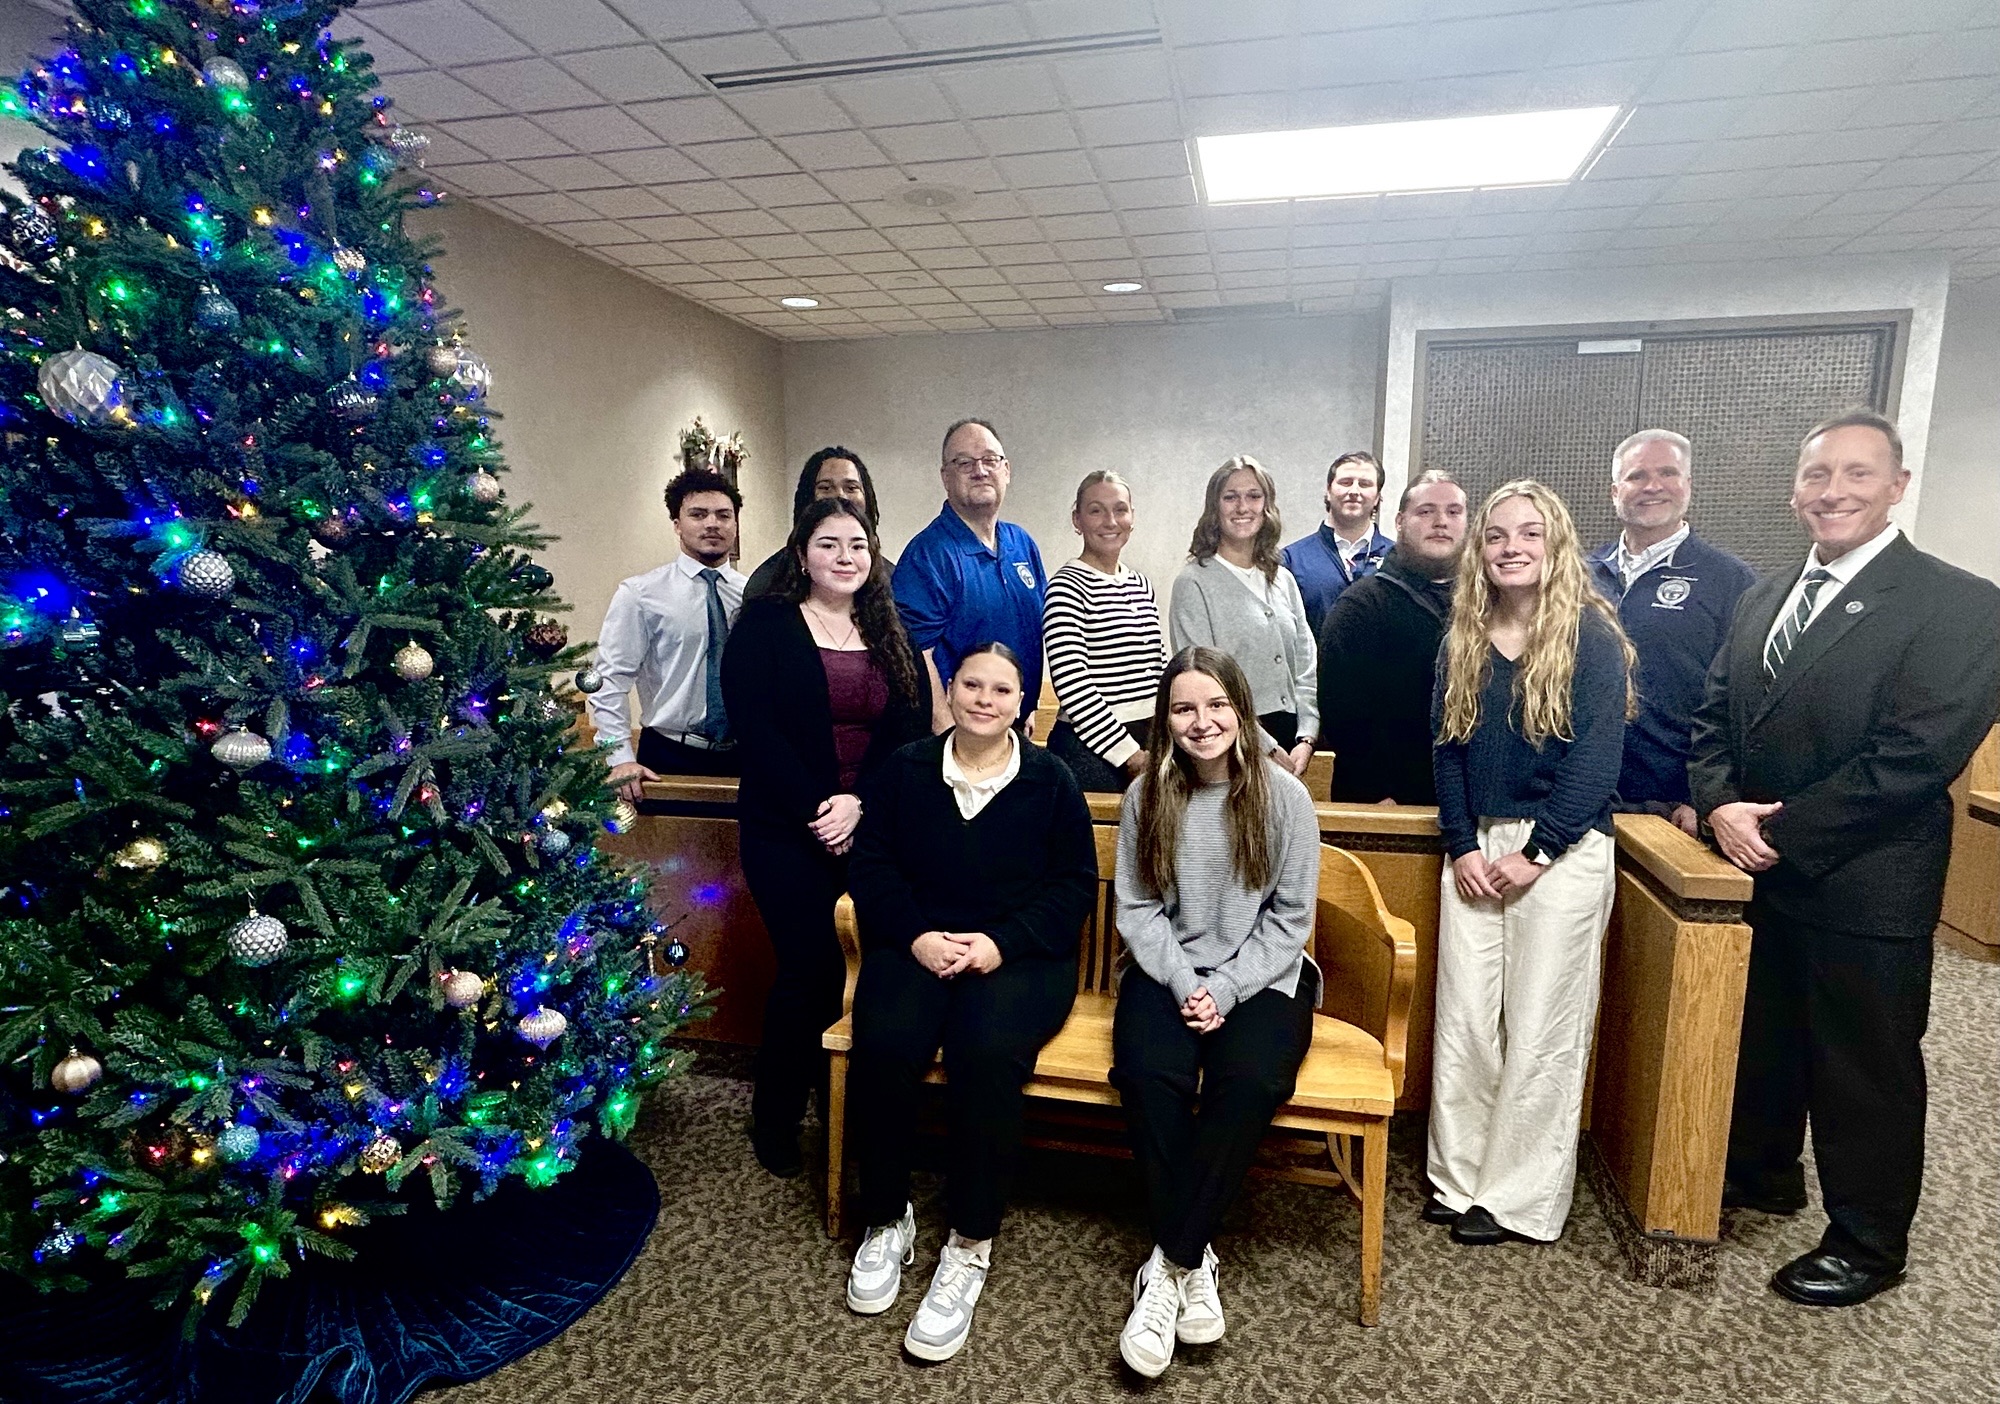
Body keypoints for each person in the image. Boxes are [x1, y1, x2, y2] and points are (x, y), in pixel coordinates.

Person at [1688, 410, 2000, 1308]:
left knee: (1865, 1065)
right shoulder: (1764, 593)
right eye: (1818, 475)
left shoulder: (1959, 601)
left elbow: (1916, 755)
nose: (1834, 492)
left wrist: (1778, 833)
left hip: (1866, 880)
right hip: (1761, 867)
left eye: (1858, 475)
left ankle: (1868, 1238)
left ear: (1898, 486)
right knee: (1770, 1041)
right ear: (1796, 490)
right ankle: (1763, 1172)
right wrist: (1718, 805)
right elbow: (1714, 715)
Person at [842, 643, 1097, 1362]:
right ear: (950, 692)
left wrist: (999, 943)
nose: (985, 699)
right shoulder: (906, 770)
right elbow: (873, 865)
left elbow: (1074, 885)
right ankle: (887, 1218)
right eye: (972, 685)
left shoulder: (1051, 781)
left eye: (1003, 689)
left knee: (985, 1054)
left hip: (1018, 957)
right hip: (915, 943)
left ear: (1023, 703)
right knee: (887, 1043)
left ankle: (969, 1242)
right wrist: (918, 936)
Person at [1428, 480, 1637, 1247]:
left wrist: (1540, 852)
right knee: (1467, 1020)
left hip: (1564, 852)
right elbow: (1446, 751)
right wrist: (1461, 845)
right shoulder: (1462, 640)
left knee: (1543, 1023)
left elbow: (1595, 762)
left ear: (1556, 548)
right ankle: (1458, 1180)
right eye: (1496, 536)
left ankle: (1517, 1199)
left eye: (1530, 535)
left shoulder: (1591, 639)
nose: (1512, 548)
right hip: (1477, 849)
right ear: (1479, 552)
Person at [1109, 647, 1321, 1379]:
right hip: (1165, 974)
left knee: (1252, 1081)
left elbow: (1290, 922)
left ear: (1241, 710)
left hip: (1263, 981)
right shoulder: (1148, 795)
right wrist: (1182, 983)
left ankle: (1167, 1265)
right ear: (1166, 721)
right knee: (1146, 1073)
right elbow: (1135, 909)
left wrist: (1224, 988)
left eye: (1215, 706)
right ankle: (1192, 1259)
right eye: (1182, 708)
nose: (1201, 722)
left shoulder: (1285, 798)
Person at [720, 498, 929, 1177]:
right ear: (802, 554)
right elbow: (758, 732)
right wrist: (820, 806)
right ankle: (776, 1117)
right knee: (809, 971)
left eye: (858, 545)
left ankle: (850, 1111)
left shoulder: (887, 628)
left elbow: (908, 734)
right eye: (830, 544)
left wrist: (858, 804)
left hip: (869, 829)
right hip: (785, 829)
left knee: (867, 975)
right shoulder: (766, 626)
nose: (846, 556)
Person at [1587, 430, 1755, 836]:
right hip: (1580, 798)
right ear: (1615, 490)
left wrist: (1708, 797)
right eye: (1636, 476)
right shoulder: (1579, 575)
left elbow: (1741, 705)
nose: (1652, 486)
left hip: (1675, 807)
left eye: (1667, 473)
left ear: (1688, 486)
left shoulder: (1731, 581)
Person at [1315, 469, 1469, 804]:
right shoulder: (1361, 606)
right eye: (1426, 511)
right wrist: (1376, 792)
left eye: (1453, 511)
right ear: (1399, 521)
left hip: (1470, 804)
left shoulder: (1487, 605)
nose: (1441, 521)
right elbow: (1343, 713)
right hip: (1388, 803)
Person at [588, 467, 746, 789]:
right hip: (669, 754)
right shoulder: (641, 594)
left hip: (745, 755)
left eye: (723, 515)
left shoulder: (754, 595)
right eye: (698, 514)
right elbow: (610, 681)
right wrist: (619, 758)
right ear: (677, 524)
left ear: (735, 523)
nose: (712, 523)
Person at [893, 419, 1049, 734]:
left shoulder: (1022, 544)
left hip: (1012, 726)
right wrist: (948, 734)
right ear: (945, 477)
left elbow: (1033, 631)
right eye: (964, 463)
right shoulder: (928, 555)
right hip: (957, 735)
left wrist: (1028, 708)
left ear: (1006, 470)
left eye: (990, 460)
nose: (980, 470)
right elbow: (916, 657)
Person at [1168, 456, 1318, 778]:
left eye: (1253, 496)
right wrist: (1266, 747)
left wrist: (1306, 736)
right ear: (1214, 507)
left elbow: (1306, 666)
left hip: (1292, 740)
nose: (1242, 507)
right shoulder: (1194, 582)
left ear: (1267, 506)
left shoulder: (1283, 580)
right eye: (1230, 497)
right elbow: (1202, 683)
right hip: (1229, 744)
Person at [1043, 471, 1168, 793]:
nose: (1110, 521)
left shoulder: (1141, 584)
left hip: (1148, 741)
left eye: (1120, 509)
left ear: (1132, 517)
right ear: (1077, 519)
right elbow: (1073, 684)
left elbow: (1157, 670)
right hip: (1091, 748)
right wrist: (1129, 755)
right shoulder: (1066, 586)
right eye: (1096, 510)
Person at [743, 446, 889, 601]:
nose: (840, 495)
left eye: (851, 488)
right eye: (825, 488)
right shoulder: (767, 582)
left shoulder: (893, 579)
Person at [1282, 450, 1393, 639]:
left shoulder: (1398, 559)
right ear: (1328, 491)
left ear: (1377, 498)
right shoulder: (1291, 560)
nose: (1354, 491)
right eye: (1345, 482)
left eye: (1365, 484)